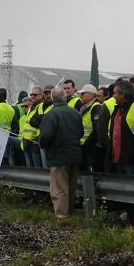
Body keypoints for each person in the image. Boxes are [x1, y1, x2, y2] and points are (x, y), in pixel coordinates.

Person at [39, 86, 84, 219]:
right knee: (71, 186)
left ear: (52, 98)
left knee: (59, 187)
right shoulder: (75, 112)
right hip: (75, 154)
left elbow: (46, 136)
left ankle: (62, 215)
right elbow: (80, 132)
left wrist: (44, 145)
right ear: (65, 98)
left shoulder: (51, 114)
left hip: (59, 155)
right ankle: (69, 211)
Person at [78, 85, 107, 174]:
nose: (80, 96)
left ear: (91, 95)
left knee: (92, 173)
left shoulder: (96, 107)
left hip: (92, 148)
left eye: (83, 94)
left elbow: (97, 130)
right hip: (85, 147)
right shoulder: (85, 107)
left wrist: (86, 145)